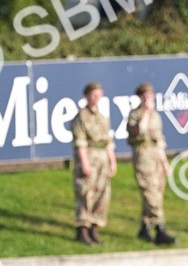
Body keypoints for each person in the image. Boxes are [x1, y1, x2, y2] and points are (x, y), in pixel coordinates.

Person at [126, 82, 176, 245]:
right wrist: (145, 112)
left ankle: (144, 227)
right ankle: (160, 228)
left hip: (155, 155)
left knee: (158, 190)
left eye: (151, 96)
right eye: (145, 96)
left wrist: (164, 162)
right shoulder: (135, 115)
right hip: (143, 155)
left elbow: (159, 141)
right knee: (150, 192)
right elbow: (138, 131)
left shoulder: (156, 116)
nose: (149, 99)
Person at [71, 81, 117, 245]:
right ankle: (82, 228)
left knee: (102, 194)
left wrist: (112, 160)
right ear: (87, 96)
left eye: (99, 94)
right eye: (93, 94)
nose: (96, 97)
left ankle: (94, 228)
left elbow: (107, 141)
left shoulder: (102, 117)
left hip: (102, 158)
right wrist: (84, 163)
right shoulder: (81, 116)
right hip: (89, 156)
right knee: (85, 192)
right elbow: (80, 142)